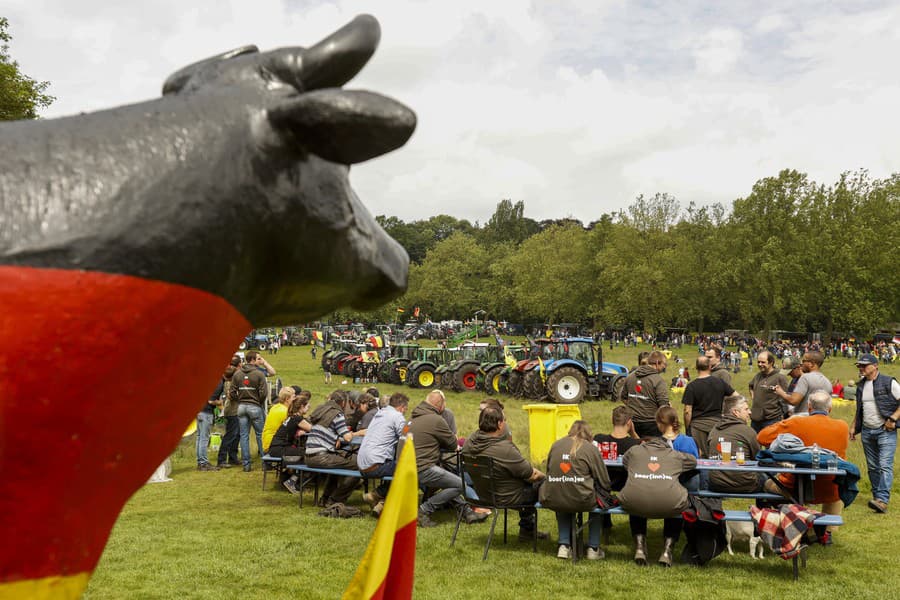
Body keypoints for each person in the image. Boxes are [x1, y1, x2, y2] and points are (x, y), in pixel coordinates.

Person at [618, 407, 698, 567]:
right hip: (674, 489)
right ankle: (667, 550)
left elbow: (627, 461)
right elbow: (695, 463)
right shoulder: (686, 442)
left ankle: (640, 546)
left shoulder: (649, 446)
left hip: (655, 489)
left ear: (660, 424)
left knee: (641, 494)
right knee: (672, 498)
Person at [757, 391, 849, 521]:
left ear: (809, 407)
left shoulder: (797, 423)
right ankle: (827, 531)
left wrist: (788, 420)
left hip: (796, 486)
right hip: (831, 486)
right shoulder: (843, 426)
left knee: (767, 485)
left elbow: (762, 437)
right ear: (830, 408)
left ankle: (790, 519)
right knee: (834, 490)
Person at [462, 406, 547, 541]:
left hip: (482, 495)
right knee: (540, 482)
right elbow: (533, 475)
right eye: (504, 420)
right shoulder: (504, 449)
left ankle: (528, 530)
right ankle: (532, 530)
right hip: (506, 497)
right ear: (499, 424)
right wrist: (547, 478)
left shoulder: (469, 442)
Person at [407, 390, 487, 527]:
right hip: (423, 468)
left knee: (450, 481)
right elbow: (452, 444)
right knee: (459, 484)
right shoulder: (436, 419)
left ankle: (466, 512)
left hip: (406, 467)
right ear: (440, 404)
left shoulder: (411, 419)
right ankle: (423, 511)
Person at [539, 421, 611, 561]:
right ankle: (593, 548)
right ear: (589, 435)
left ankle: (564, 545)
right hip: (581, 499)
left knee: (563, 493)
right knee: (598, 502)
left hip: (552, 496)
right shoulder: (590, 449)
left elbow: (548, 471)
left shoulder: (556, 445)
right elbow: (605, 481)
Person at [850, 353, 900, 513]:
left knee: (884, 465)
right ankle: (877, 497)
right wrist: (853, 427)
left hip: (885, 430)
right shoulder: (860, 385)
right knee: (872, 466)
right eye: (859, 365)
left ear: (875, 365)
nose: (861, 368)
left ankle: (882, 500)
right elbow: (860, 409)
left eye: (864, 365)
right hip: (866, 430)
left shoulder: (889, 382)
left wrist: (892, 419)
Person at [305, 390, 364, 508]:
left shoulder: (321, 410)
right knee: (361, 465)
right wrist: (359, 433)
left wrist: (336, 437)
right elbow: (347, 438)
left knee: (338, 463)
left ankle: (325, 498)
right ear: (343, 403)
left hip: (308, 456)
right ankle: (335, 499)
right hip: (322, 457)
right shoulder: (337, 414)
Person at [357, 392, 410, 515]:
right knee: (410, 467)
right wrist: (410, 427)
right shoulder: (397, 416)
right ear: (402, 407)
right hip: (374, 466)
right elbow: (405, 435)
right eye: (406, 409)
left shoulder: (380, 413)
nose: (405, 412)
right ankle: (378, 496)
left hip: (361, 465)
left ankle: (379, 502)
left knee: (395, 466)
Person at [706, 396, 763, 493]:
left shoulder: (714, 430)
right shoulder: (748, 431)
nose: (749, 412)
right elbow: (759, 457)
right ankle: (765, 508)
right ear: (736, 412)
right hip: (745, 484)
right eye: (746, 409)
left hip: (716, 484)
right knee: (771, 477)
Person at [682, 355, 736, 457]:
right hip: (717, 424)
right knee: (716, 454)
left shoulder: (692, 386)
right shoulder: (720, 382)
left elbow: (687, 411)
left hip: (698, 426)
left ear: (696, 367)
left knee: (700, 456)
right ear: (710, 367)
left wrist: (687, 426)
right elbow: (736, 397)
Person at [229, 350, 269, 471]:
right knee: (260, 435)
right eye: (258, 358)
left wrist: (239, 399)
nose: (260, 360)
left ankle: (246, 465)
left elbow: (231, 392)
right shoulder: (259, 374)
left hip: (241, 407)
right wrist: (258, 401)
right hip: (255, 406)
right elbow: (264, 393)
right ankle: (265, 462)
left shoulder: (237, 374)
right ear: (252, 359)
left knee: (244, 435)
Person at [620, 350, 670, 438]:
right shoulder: (658, 380)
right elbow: (663, 406)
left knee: (636, 450)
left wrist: (636, 406)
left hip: (633, 424)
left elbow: (624, 398)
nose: (664, 367)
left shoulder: (630, 377)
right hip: (652, 425)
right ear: (657, 363)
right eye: (664, 364)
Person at [271, 394, 313, 494]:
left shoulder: (292, 417)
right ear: (302, 406)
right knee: (310, 454)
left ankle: (287, 479)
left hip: (276, 447)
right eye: (307, 407)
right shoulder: (297, 418)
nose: (308, 409)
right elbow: (313, 429)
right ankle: (292, 481)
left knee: (303, 453)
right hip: (280, 448)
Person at [774, 350, 829, 417]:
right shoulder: (795, 379)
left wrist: (781, 393)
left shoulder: (806, 379)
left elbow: (794, 401)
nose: (788, 375)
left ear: (797, 368)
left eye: (803, 361)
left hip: (802, 418)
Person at [747, 350, 789, 432]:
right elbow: (751, 386)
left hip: (771, 420)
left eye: (763, 362)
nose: (760, 364)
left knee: (770, 444)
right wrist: (754, 397)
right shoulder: (758, 375)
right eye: (758, 362)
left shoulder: (780, 377)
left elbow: (786, 398)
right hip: (755, 419)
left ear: (771, 363)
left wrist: (784, 415)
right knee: (753, 443)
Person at [196, 372, 224, 471]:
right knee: (204, 438)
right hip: (206, 412)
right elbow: (211, 401)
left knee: (199, 437)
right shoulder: (218, 381)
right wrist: (220, 402)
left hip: (199, 410)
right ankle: (204, 463)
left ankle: (200, 462)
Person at [216, 364, 241, 468]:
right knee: (230, 436)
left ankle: (232, 457)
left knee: (236, 435)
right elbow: (231, 396)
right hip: (232, 412)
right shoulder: (229, 383)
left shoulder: (231, 383)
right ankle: (221, 460)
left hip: (236, 411)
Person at [261, 386, 296, 454]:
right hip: (273, 445)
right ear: (287, 399)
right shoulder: (285, 411)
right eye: (294, 397)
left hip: (267, 442)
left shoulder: (275, 407)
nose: (296, 399)